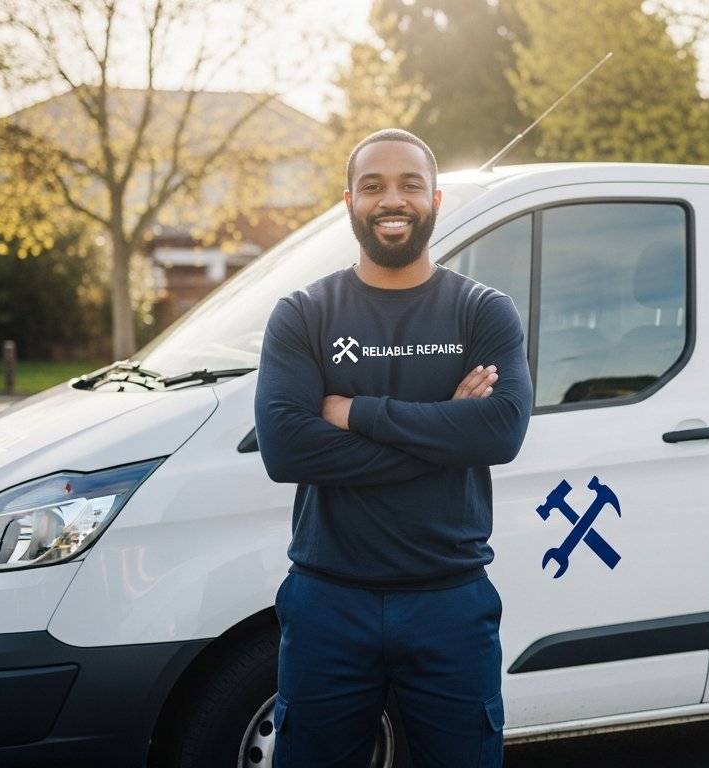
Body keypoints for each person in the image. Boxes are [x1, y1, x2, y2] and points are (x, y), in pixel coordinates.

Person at [254, 128, 532, 767]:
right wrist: (445, 435)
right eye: (373, 186)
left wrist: (356, 413)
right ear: (348, 200)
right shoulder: (303, 314)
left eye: (409, 184)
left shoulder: (483, 311)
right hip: (330, 600)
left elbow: (501, 432)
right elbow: (287, 450)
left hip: (449, 600)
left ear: (434, 198)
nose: (392, 199)